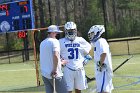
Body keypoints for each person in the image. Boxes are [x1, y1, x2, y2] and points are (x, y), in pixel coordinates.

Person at [59, 21, 91, 93]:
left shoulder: (80, 40)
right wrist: (60, 60)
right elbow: (56, 53)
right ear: (66, 31)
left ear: (76, 30)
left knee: (78, 90)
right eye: (69, 31)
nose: (71, 32)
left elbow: (88, 48)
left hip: (79, 68)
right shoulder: (60, 42)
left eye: (72, 30)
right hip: (67, 68)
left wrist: (86, 57)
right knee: (68, 90)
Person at [40, 25, 67, 93]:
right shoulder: (55, 41)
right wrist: (55, 69)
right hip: (54, 74)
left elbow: (46, 58)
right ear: (52, 32)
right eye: (56, 32)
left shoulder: (42, 43)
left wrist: (60, 63)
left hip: (45, 74)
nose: (57, 34)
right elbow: (55, 55)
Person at [88, 25, 114, 93]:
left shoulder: (101, 41)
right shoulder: (96, 42)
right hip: (101, 70)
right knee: (103, 90)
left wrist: (100, 64)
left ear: (97, 33)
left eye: (92, 33)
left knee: (104, 90)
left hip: (103, 70)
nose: (91, 35)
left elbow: (103, 53)